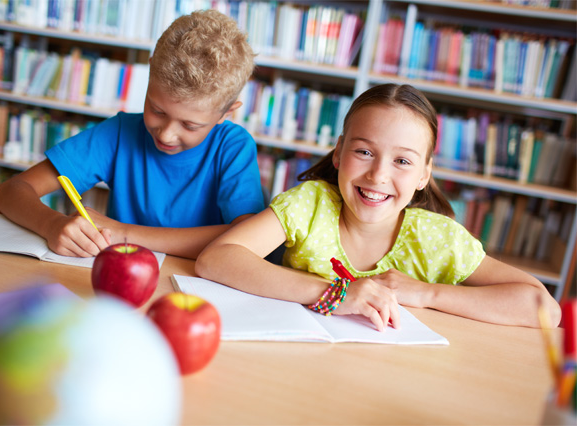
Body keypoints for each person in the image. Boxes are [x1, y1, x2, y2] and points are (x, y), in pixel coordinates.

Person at [196, 83, 561, 331]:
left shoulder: (437, 238)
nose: (378, 175)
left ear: (423, 174)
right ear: (338, 152)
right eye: (364, 152)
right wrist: (333, 293)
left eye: (402, 161)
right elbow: (217, 258)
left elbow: (543, 307)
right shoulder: (309, 204)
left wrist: (425, 292)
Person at [0, 10, 264, 260]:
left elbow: (247, 240)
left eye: (190, 126)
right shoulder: (120, 133)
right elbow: (11, 191)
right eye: (157, 110)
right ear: (149, 75)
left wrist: (124, 234)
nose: (167, 135)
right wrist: (51, 224)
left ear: (227, 113)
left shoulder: (233, 148)